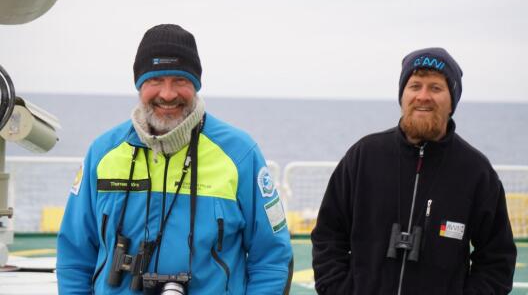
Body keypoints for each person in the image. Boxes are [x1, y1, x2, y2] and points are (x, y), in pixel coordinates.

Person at [57, 24, 293, 294]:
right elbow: (74, 255)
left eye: (180, 80)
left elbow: (272, 258)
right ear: (139, 85)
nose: (167, 94)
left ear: (196, 85)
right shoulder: (102, 153)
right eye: (155, 80)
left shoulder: (240, 154)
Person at [311, 48, 517, 294]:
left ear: (452, 101)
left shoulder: (476, 172)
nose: (423, 96)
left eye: (436, 88)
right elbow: (328, 236)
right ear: (402, 95)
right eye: (415, 85)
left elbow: (497, 260)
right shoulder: (363, 156)